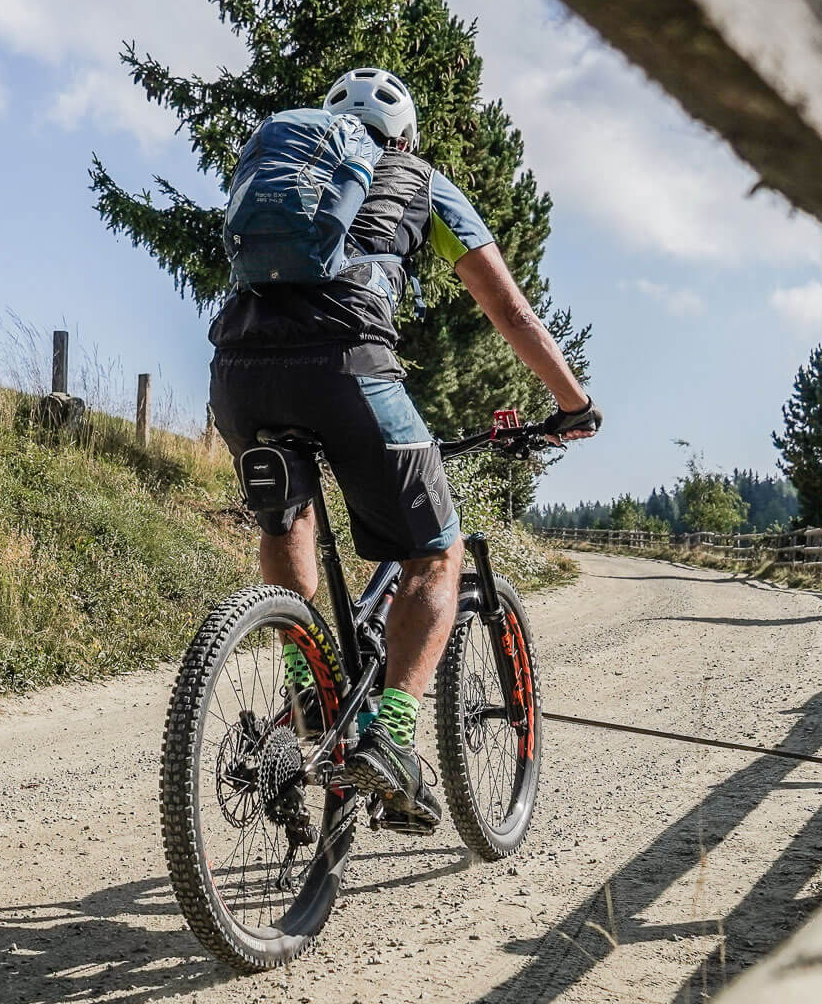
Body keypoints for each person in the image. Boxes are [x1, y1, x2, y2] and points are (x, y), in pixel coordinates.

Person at [208, 66, 600, 831]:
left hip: (239, 366)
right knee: (434, 556)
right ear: (406, 136)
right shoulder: (418, 177)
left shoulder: (286, 168)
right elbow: (509, 309)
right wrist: (572, 403)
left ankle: (308, 691)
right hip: (346, 366)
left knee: (284, 518)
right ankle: (390, 737)